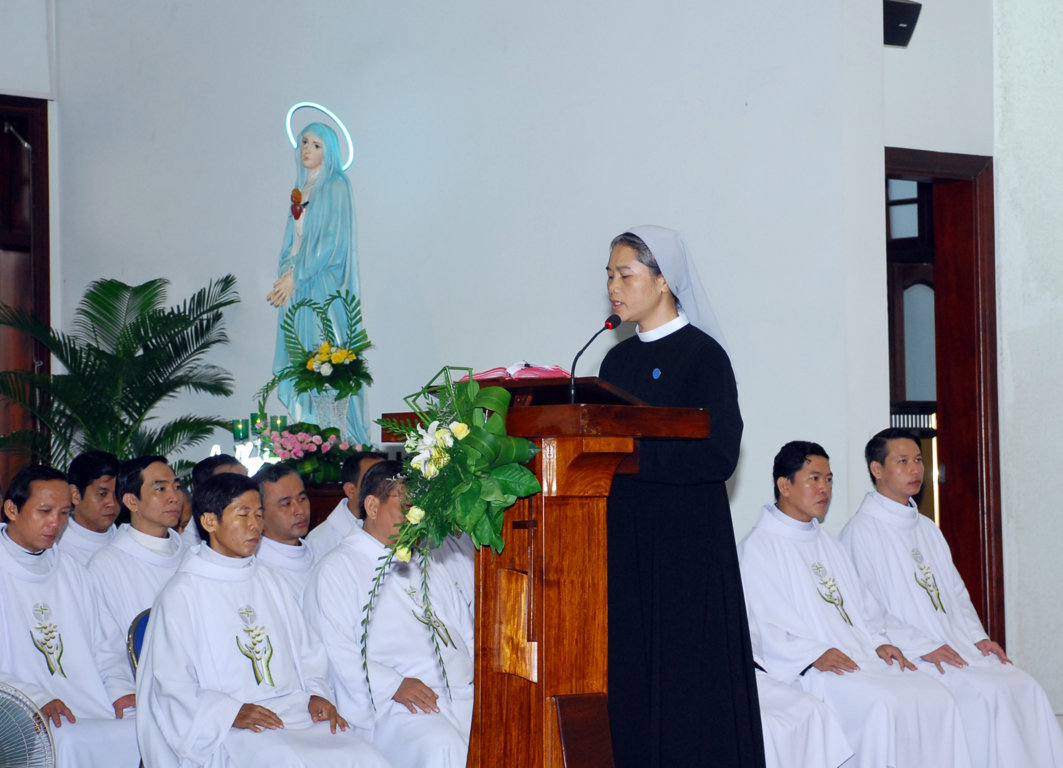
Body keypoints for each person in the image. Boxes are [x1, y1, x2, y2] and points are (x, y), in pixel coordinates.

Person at [597, 226, 762, 768]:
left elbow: (720, 455)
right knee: (634, 679)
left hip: (686, 548)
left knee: (687, 687)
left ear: (663, 279)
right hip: (628, 544)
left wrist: (635, 459)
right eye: (610, 275)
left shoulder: (703, 356)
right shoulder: (615, 364)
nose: (613, 287)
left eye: (625, 275)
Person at [739, 441, 973, 768]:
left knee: (936, 696)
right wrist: (812, 654)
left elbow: (865, 608)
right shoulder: (758, 549)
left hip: (861, 657)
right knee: (884, 705)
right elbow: (762, 629)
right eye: (814, 479)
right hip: (811, 671)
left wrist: (879, 640)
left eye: (829, 479)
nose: (825, 489)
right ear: (785, 485)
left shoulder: (828, 543)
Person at [841, 427, 1063, 766]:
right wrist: (923, 646)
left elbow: (956, 594)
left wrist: (977, 637)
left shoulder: (927, 528)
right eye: (903, 461)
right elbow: (867, 611)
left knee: (1023, 685)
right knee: (985, 695)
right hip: (913, 654)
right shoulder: (860, 533)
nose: (915, 469)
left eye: (918, 460)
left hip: (955, 643)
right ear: (877, 469)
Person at [136, 473, 388, 768]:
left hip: (296, 712)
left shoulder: (271, 581)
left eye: (258, 514)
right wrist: (230, 713)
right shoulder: (182, 594)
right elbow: (171, 685)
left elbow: (309, 654)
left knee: (367, 758)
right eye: (242, 515)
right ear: (209, 521)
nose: (255, 525)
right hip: (230, 727)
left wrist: (317, 694)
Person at [304, 461, 474, 768]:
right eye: (407, 507)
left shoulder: (428, 564)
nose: (417, 517)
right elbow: (334, 650)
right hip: (394, 705)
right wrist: (393, 684)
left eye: (420, 509)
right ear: (372, 506)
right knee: (442, 746)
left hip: (461, 695)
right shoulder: (337, 569)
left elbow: (466, 629)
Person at [0, 465, 140, 767]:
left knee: (143, 729)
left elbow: (106, 645)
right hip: (17, 712)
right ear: (12, 510)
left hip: (90, 703)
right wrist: (35, 698)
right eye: (44, 511)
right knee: (63, 740)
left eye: (64, 513)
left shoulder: (73, 571)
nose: (55, 522)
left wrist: (120, 690)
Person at [266, 121, 367, 444]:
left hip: (321, 285)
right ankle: (310, 437)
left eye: (316, 145)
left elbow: (331, 242)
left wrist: (297, 275)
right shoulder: (301, 189)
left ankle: (337, 438)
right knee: (302, 360)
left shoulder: (336, 184)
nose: (307, 149)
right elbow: (292, 242)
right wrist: (287, 271)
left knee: (327, 359)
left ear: (330, 151)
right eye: (304, 142)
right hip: (298, 286)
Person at [88, 455, 187, 711]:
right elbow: (103, 640)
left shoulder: (192, 556)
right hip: (143, 695)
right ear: (132, 501)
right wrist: (121, 689)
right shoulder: (107, 564)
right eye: (160, 489)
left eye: (176, 487)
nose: (174, 497)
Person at [748, 614, 853, 768]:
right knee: (765, 727)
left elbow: (749, 632)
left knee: (814, 709)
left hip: (745, 669)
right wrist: (812, 653)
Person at [305, 450, 384, 560]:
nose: (383, 489)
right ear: (350, 490)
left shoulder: (395, 525)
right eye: (373, 482)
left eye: (387, 481)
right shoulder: (319, 541)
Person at [253, 464, 315, 601]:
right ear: (260, 514)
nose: (300, 510)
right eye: (286, 504)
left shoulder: (318, 554)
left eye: (302, 499)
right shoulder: (257, 571)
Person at [57, 449, 120, 566]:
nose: (112, 503)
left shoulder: (126, 541)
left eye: (117, 494)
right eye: (102, 494)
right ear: (75, 494)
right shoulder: (57, 550)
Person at [181, 453, 247, 547]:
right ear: (205, 493)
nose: (244, 491)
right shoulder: (185, 548)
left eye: (246, 482)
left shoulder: (255, 536)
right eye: (232, 485)